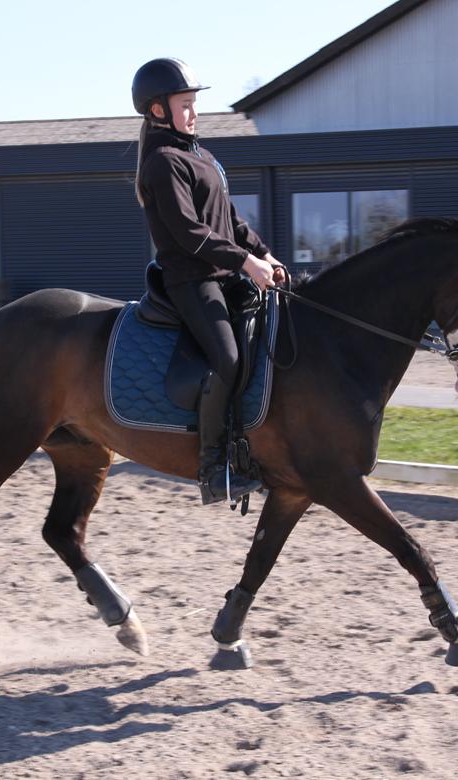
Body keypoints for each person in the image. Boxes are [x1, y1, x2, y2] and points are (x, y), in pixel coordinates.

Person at [131, 57, 287, 505]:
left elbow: (231, 221)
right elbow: (189, 233)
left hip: (226, 272)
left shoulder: (202, 156)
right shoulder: (162, 162)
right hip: (191, 280)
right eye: (185, 104)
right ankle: (212, 465)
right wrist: (245, 263)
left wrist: (262, 254)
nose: (194, 112)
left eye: (194, 102)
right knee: (228, 358)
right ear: (158, 110)